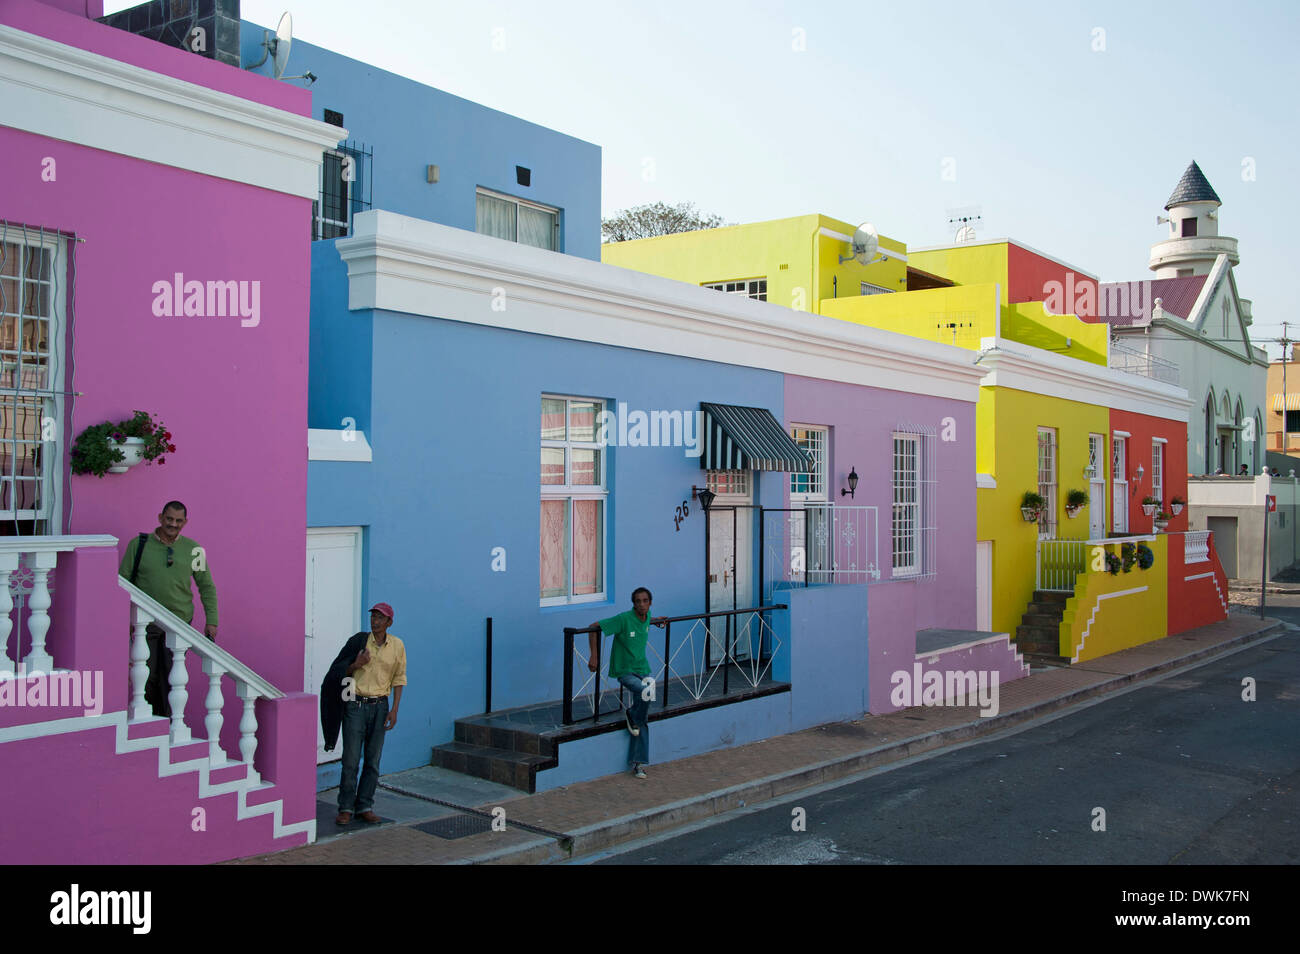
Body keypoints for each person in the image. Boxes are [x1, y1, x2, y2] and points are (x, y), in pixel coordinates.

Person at [118, 500, 217, 718]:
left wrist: (212, 620)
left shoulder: (195, 550)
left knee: (172, 678)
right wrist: (122, 621)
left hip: (180, 623)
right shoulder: (139, 544)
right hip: (147, 622)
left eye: (178, 520)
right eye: (169, 519)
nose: (173, 524)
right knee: (147, 675)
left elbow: (206, 586)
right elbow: (123, 581)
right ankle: (152, 721)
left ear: (185, 522)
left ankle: (169, 724)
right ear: (160, 517)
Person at [334, 602, 406, 825]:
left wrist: (394, 709)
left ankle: (365, 805)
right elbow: (339, 670)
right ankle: (345, 807)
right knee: (351, 759)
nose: (375, 621)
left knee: (373, 760)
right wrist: (357, 663)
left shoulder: (397, 646)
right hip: (355, 704)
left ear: (389, 623)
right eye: (373, 616)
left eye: (380, 618)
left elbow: (399, 678)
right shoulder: (358, 641)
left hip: (380, 705)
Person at [589, 587, 665, 779]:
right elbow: (594, 626)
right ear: (633, 603)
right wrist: (594, 656)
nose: (641, 604)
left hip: (643, 669)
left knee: (643, 716)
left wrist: (657, 622)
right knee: (643, 693)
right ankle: (631, 714)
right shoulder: (623, 619)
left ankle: (638, 763)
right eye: (637, 601)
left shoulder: (647, 617)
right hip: (625, 670)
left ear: (650, 603)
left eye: (645, 601)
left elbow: (646, 623)